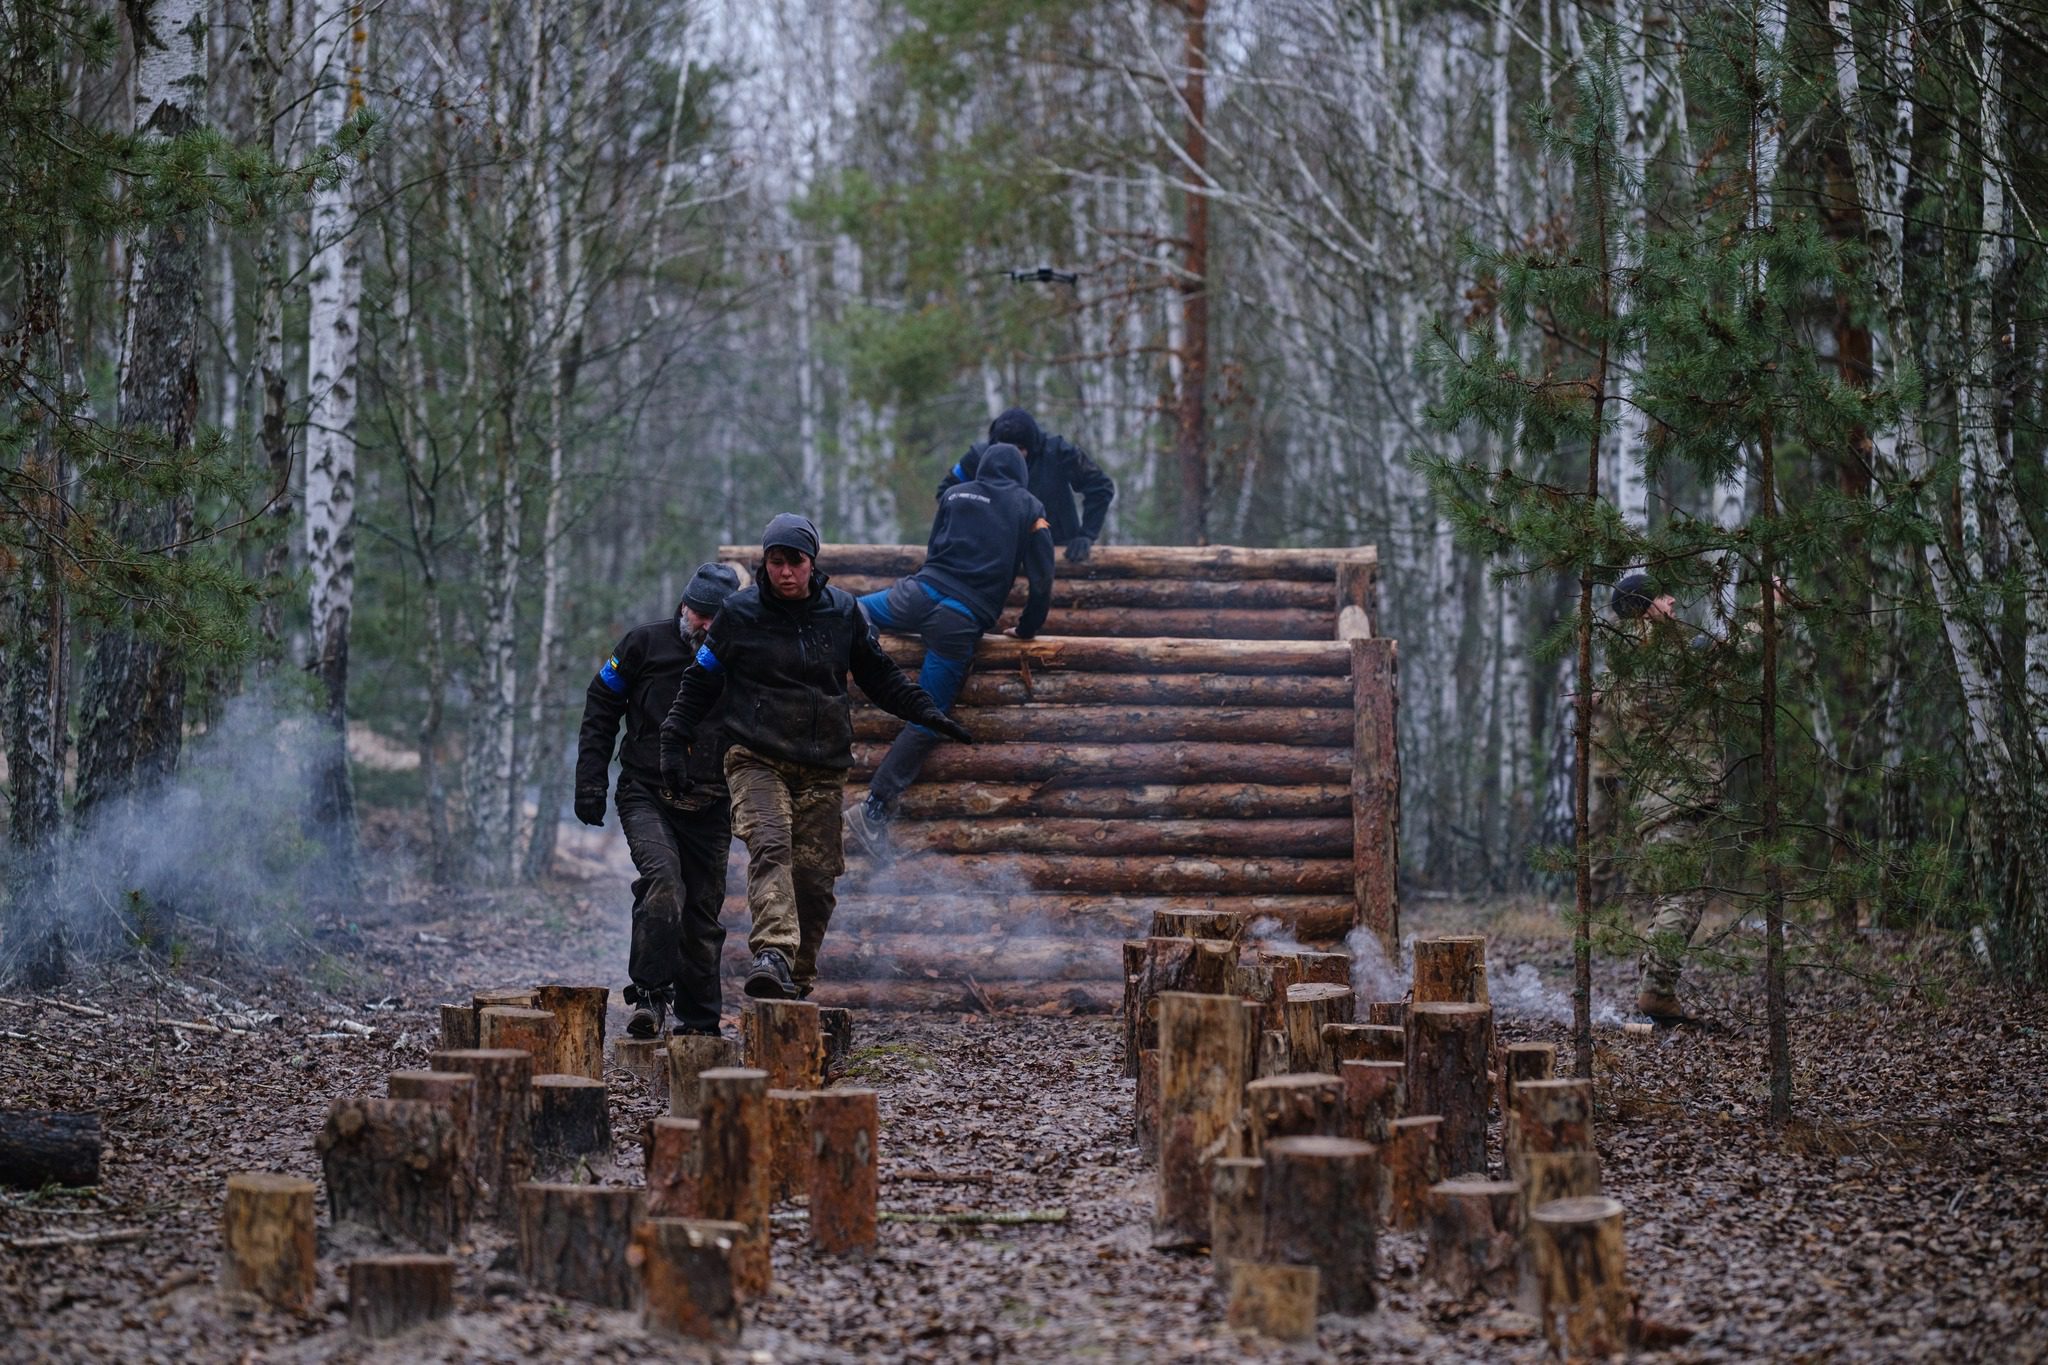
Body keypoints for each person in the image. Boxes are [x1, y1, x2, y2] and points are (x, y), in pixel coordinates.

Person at [660, 515, 971, 1001]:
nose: (785, 572)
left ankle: (794, 978)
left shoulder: (842, 613)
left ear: (812, 563)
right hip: (754, 756)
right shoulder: (739, 614)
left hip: (822, 767)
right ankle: (772, 954)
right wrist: (673, 737)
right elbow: (700, 682)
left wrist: (928, 713)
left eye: (795, 562)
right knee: (771, 847)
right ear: (765, 562)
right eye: (776, 561)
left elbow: (881, 677)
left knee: (815, 879)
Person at [845, 441, 1055, 859]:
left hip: (916, 594)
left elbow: (934, 547)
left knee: (849, 611)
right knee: (926, 718)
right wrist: (1028, 628)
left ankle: (838, 670)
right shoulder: (1031, 509)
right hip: (958, 619)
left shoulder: (956, 494)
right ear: (1021, 473)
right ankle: (873, 809)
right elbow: (1043, 581)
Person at [574, 563, 741, 1039]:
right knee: (664, 884)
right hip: (646, 791)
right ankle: (649, 996)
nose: (705, 625)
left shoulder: (741, 656)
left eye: (715, 618)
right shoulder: (641, 645)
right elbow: (601, 706)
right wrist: (591, 781)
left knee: (703, 917)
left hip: (712, 800)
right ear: (684, 605)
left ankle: (700, 1024)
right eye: (699, 613)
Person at [1598, 570, 1720, 1022]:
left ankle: (1656, 989)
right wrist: (1772, 610)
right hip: (1678, 797)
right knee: (1681, 897)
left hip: (1657, 801)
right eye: (1663, 598)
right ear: (1646, 607)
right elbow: (1731, 652)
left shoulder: (1627, 662)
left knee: (1674, 895)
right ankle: (1656, 989)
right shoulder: (1662, 660)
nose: (1672, 603)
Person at [942, 407, 1114, 563]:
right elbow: (947, 493)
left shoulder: (1058, 452)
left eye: (1019, 449)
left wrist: (1086, 535)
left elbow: (1100, 487)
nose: (1011, 454)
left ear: (1031, 446)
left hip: (1056, 550)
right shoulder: (977, 457)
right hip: (996, 555)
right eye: (1005, 447)